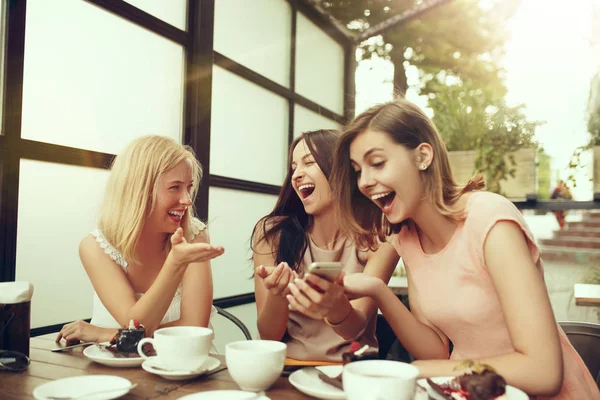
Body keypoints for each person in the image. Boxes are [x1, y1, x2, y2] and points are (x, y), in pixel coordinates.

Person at [330, 98, 600, 399]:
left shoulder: (491, 222)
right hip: (467, 391)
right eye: (357, 170)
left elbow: (542, 371)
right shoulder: (406, 237)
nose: (364, 182)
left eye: (377, 163)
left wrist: (418, 371)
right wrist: (378, 291)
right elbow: (435, 348)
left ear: (423, 156)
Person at [56, 135, 224, 344]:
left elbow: (194, 328)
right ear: (139, 190)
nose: (187, 200)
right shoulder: (95, 247)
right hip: (113, 367)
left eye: (189, 187)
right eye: (175, 187)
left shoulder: (194, 236)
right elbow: (134, 323)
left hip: (185, 365)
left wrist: (104, 334)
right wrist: (176, 263)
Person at [251, 129, 399, 362]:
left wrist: (333, 304)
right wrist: (279, 294)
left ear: (340, 171)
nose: (297, 175)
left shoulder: (379, 238)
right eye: (293, 167)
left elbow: (354, 328)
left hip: (351, 372)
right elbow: (268, 337)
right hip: (287, 369)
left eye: (309, 162)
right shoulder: (272, 234)